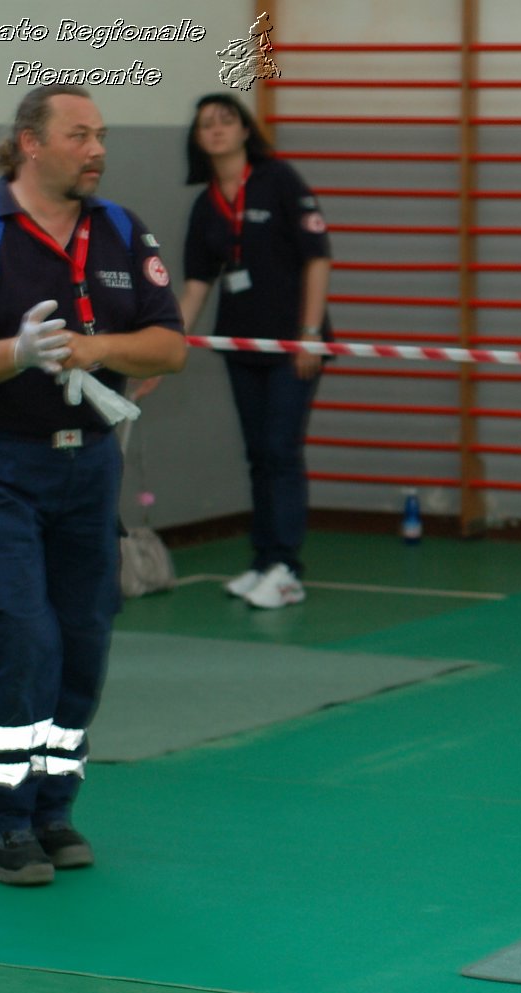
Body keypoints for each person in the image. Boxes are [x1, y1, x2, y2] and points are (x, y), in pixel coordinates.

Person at [0, 84, 187, 885]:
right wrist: (19, 351)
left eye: (101, 135)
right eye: (80, 135)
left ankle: (53, 806)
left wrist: (95, 347)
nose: (97, 149)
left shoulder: (119, 229)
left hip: (88, 470)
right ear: (30, 144)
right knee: (15, 636)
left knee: (82, 640)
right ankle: (0, 820)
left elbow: (168, 346)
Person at [179, 92, 332, 610]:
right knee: (257, 455)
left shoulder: (279, 181)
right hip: (240, 344)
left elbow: (317, 259)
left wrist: (309, 333)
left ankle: (288, 568)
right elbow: (198, 284)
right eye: (207, 125)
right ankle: (264, 559)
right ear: (198, 139)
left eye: (227, 121)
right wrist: (164, 345)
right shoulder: (206, 205)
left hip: (294, 346)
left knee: (280, 449)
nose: (218, 130)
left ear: (246, 130)